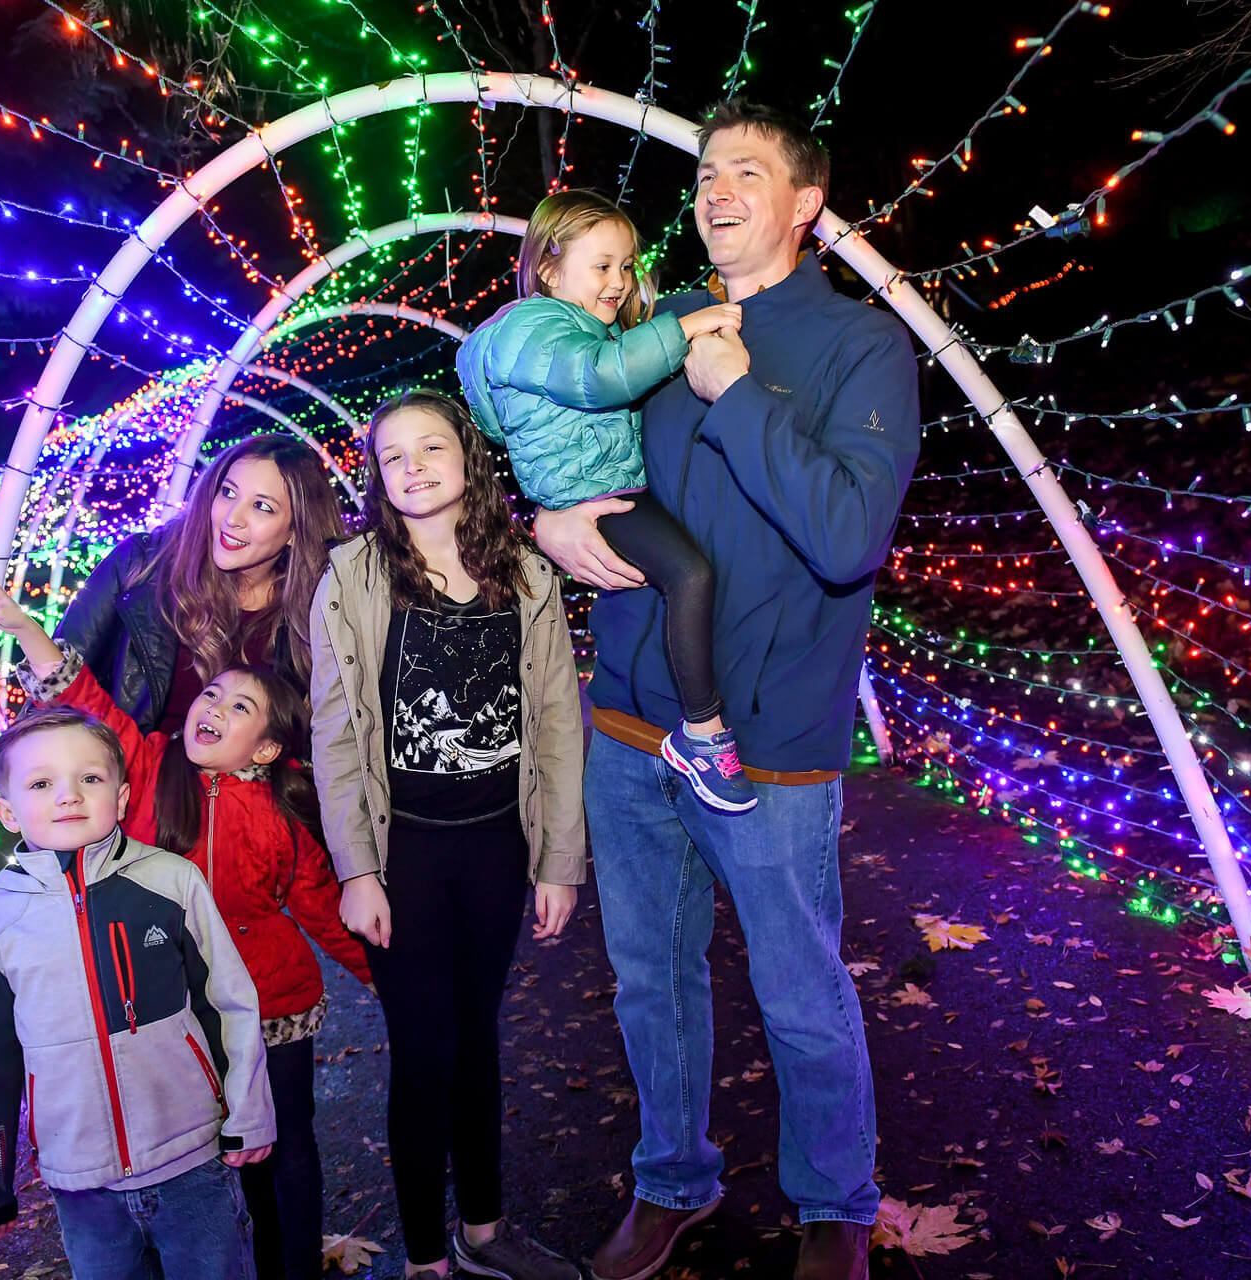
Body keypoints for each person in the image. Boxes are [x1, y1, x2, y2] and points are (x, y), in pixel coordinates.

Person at [532, 100, 925, 1280]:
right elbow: (563, 455)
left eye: (746, 170)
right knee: (650, 972)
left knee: (798, 983)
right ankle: (671, 1179)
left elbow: (849, 534)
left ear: (807, 203)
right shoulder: (640, 329)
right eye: (705, 170)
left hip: (771, 739)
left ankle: (833, 1205)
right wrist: (546, 520)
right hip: (630, 722)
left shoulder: (863, 346)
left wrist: (737, 391)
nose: (714, 188)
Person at [0, 563, 372, 1278]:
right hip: (183, 1009)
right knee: (225, 1152)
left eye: (240, 707)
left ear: (269, 748)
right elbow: (84, 701)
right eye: (211, 692)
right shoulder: (150, 768)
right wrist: (25, 628)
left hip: (277, 1004)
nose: (213, 705)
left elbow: (323, 906)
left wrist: (390, 980)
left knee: (290, 1142)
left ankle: (296, 1265)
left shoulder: (283, 816)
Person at [310, 389, 585, 1280]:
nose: (414, 467)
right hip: (406, 855)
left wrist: (558, 862)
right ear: (377, 478)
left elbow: (552, 722)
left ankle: (484, 1231)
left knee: (477, 1036)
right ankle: (426, 1257)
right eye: (393, 456)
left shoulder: (527, 573)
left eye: (432, 447)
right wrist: (356, 869)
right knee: (424, 1045)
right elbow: (336, 735)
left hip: (497, 848)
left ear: (468, 456)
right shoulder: (350, 576)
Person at [0, 704, 275, 1280]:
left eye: (90, 778)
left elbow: (228, 1003)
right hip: (83, 1185)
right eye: (42, 783)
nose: (68, 795)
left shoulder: (171, 881)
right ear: (6, 812)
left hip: (192, 1164)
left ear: (120, 798)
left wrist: (248, 1114)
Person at [455, 189, 754, 813]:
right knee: (690, 575)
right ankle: (703, 731)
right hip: (593, 496)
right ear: (549, 269)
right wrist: (689, 325)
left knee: (686, 574)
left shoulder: (574, 328)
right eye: (602, 266)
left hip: (597, 488)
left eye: (627, 265)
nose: (618, 281)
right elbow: (600, 378)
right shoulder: (535, 328)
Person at [56, 436, 343, 736]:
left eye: (261, 506)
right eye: (228, 492)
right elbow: (59, 674)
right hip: (124, 774)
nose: (232, 518)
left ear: (295, 531)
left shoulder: (314, 613)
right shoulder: (142, 563)